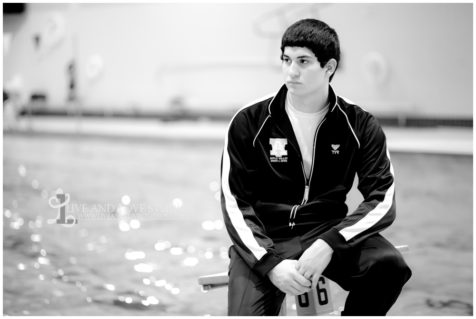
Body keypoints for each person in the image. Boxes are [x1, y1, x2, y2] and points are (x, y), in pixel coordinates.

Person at [220, 18, 412, 316]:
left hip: (327, 230)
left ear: (329, 67)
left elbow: (383, 199)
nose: (291, 71)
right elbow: (234, 202)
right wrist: (270, 265)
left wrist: (330, 244)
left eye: (303, 61)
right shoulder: (250, 121)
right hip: (267, 238)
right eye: (286, 59)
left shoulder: (359, 124)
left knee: (390, 266)